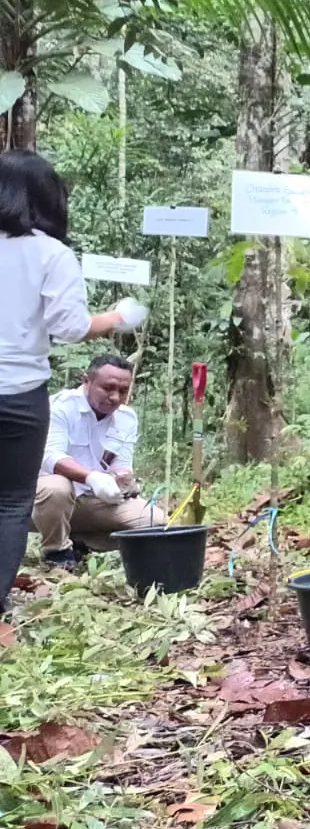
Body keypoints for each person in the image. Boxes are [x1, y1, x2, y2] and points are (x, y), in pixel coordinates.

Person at [0, 150, 145, 611]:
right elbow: (68, 326)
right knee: (10, 501)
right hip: (20, 392)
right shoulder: (50, 253)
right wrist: (118, 317)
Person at [32, 355, 167, 570]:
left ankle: (80, 540)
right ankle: (56, 552)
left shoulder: (126, 418)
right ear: (87, 382)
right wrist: (91, 477)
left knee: (153, 522)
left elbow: (121, 464)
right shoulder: (60, 407)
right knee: (57, 487)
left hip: (92, 500)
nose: (115, 397)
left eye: (123, 391)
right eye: (108, 388)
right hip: (43, 501)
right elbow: (49, 457)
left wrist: (124, 481)